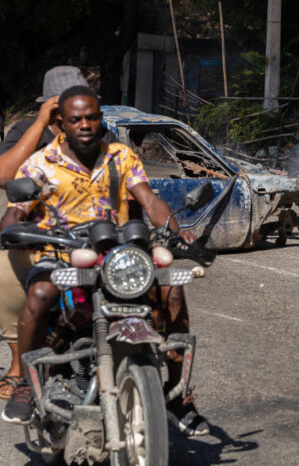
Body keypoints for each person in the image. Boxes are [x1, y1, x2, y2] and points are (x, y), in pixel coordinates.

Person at [0, 86, 209, 435]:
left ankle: (176, 395)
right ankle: (25, 380)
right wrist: (11, 227)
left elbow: (149, 198)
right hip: (60, 252)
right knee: (39, 294)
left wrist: (175, 229)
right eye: (75, 119)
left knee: (171, 289)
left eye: (92, 117)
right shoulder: (41, 163)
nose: (85, 124)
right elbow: (17, 208)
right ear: (62, 124)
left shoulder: (121, 157)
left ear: (101, 119)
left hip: (117, 253)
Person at [0, 66, 91, 400]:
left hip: (89, 235)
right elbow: (5, 176)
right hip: (39, 236)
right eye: (63, 104)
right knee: (5, 272)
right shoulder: (27, 130)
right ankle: (19, 366)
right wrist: (41, 123)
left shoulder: (96, 131)